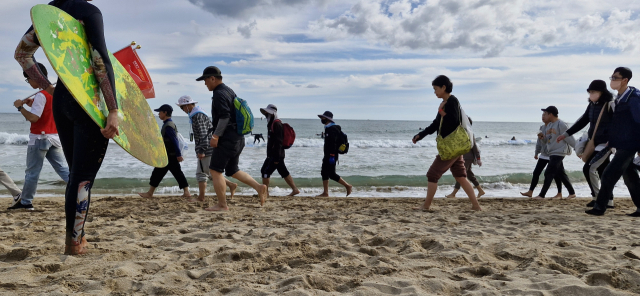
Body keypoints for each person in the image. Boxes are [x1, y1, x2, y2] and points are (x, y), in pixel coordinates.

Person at [16, 0, 119, 255]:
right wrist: (114, 109)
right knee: (83, 178)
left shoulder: (51, 10)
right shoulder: (88, 11)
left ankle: (78, 237)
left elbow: (22, 54)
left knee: (76, 175)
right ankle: (74, 242)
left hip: (62, 98)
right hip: (88, 100)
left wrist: (49, 87)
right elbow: (100, 61)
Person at [196, 66, 267, 211]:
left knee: (215, 170)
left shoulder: (219, 93)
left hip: (227, 138)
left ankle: (222, 205)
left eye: (205, 80)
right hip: (238, 137)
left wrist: (215, 136)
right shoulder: (229, 91)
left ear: (212, 78)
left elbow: (224, 116)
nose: (205, 83)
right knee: (233, 169)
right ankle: (259, 187)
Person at [412, 75, 481, 211]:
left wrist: (441, 111)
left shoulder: (452, 101)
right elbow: (436, 124)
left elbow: (453, 121)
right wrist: (420, 135)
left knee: (432, 175)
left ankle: (426, 206)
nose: (434, 92)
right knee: (461, 176)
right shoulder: (446, 102)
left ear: (443, 87)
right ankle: (476, 206)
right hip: (455, 148)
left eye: (435, 89)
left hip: (451, 148)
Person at [9, 63, 70, 211]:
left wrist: (20, 107)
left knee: (32, 172)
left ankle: (26, 202)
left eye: (28, 79)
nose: (29, 82)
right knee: (63, 169)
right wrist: (32, 104)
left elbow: (34, 119)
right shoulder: (54, 93)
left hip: (39, 139)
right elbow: (46, 114)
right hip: (54, 138)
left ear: (36, 77)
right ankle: (81, 190)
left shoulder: (41, 95)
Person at [587, 67, 640, 216]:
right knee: (630, 175)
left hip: (630, 144)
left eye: (615, 78)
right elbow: (619, 124)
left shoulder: (634, 97)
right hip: (622, 143)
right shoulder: (619, 98)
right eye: (612, 77)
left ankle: (599, 207)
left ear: (625, 80)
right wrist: (612, 140)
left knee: (609, 174)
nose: (612, 80)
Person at [557, 80, 614, 207]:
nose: (591, 94)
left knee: (588, 167)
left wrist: (613, 140)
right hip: (594, 142)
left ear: (602, 92)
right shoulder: (592, 105)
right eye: (590, 92)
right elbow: (583, 121)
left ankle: (599, 198)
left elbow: (619, 124)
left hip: (606, 144)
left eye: (593, 91)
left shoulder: (610, 104)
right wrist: (565, 134)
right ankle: (606, 200)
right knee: (603, 171)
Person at [175, 96, 237, 203]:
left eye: (183, 108)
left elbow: (203, 134)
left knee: (202, 174)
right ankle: (230, 185)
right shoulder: (199, 113)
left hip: (207, 149)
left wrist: (201, 150)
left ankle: (201, 198)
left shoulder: (197, 116)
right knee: (209, 173)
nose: (183, 110)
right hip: (209, 147)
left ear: (188, 105)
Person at [139, 105, 191, 199]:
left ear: (165, 112)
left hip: (170, 156)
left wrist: (178, 154)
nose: (158, 114)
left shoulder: (168, 126)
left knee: (159, 173)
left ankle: (150, 193)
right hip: (169, 155)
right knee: (175, 173)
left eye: (160, 112)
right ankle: (186, 192)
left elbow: (174, 140)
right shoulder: (168, 123)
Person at [533, 106, 576, 199]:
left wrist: (578, 149)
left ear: (550, 114)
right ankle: (572, 193)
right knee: (560, 173)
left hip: (559, 151)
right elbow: (547, 141)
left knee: (548, 172)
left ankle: (541, 195)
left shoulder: (561, 124)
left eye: (546, 113)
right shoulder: (549, 125)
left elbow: (569, 137)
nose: (544, 115)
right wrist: (542, 138)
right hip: (551, 152)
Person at [259, 104, 300, 197]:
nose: (266, 114)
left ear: (273, 113)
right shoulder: (271, 123)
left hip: (276, 155)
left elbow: (278, 142)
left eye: (268, 113)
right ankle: (295, 189)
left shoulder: (277, 124)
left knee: (266, 172)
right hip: (273, 154)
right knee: (283, 172)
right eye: (266, 113)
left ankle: (265, 193)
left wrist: (276, 157)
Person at [520, 118, 564, 198]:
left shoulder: (553, 127)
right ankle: (530, 191)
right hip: (543, 154)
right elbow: (539, 141)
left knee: (557, 174)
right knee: (536, 172)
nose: (543, 117)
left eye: (545, 115)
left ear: (549, 115)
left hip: (553, 154)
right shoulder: (542, 127)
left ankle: (559, 193)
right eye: (542, 115)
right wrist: (536, 152)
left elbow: (552, 140)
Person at [315, 111, 353, 197]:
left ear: (328, 118)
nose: (322, 119)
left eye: (323, 118)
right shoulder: (328, 128)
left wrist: (332, 156)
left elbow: (333, 143)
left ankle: (348, 186)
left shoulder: (332, 129)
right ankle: (325, 193)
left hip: (331, 155)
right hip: (328, 154)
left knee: (331, 174)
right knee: (324, 172)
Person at [445, 117, 485, 198]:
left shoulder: (469, 133)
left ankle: (453, 193)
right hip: (463, 157)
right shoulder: (460, 132)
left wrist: (478, 159)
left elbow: (474, 147)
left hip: (467, 157)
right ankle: (480, 190)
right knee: (469, 174)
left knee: (460, 175)